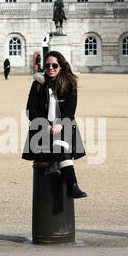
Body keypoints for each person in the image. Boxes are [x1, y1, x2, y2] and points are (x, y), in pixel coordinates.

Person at [22, 51, 87, 199]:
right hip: (42, 128)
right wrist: (45, 125)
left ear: (61, 66)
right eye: (47, 65)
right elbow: (30, 111)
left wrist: (61, 124)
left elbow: (70, 111)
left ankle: (55, 165)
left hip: (64, 126)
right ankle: (72, 186)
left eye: (54, 65)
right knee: (60, 147)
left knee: (59, 144)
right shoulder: (38, 84)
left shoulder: (70, 83)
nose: (50, 68)